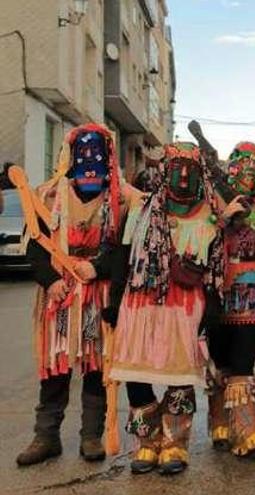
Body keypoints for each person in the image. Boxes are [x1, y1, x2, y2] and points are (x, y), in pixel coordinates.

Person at [16, 124, 133, 466]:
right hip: (59, 297)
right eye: (83, 159)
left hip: (97, 295)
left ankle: (91, 437)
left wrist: (98, 268)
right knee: (56, 366)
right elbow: (34, 245)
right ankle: (46, 435)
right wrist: (50, 279)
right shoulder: (47, 196)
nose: (90, 166)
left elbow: (125, 250)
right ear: (70, 160)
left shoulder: (121, 200)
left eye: (97, 157)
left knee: (96, 366)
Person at [111, 142, 225, 476]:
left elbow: (216, 266)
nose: (184, 177)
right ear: (165, 171)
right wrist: (113, 301)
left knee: (180, 374)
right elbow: (123, 253)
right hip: (141, 301)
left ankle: (175, 443)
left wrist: (214, 308)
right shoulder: (143, 209)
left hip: (186, 305)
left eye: (191, 171)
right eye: (177, 169)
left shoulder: (210, 214)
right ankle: (147, 442)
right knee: (137, 373)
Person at [204, 142, 255, 460]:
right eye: (242, 168)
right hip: (219, 297)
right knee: (223, 365)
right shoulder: (211, 201)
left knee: (243, 366)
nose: (249, 175)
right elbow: (195, 241)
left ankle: (249, 434)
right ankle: (220, 422)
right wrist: (221, 220)